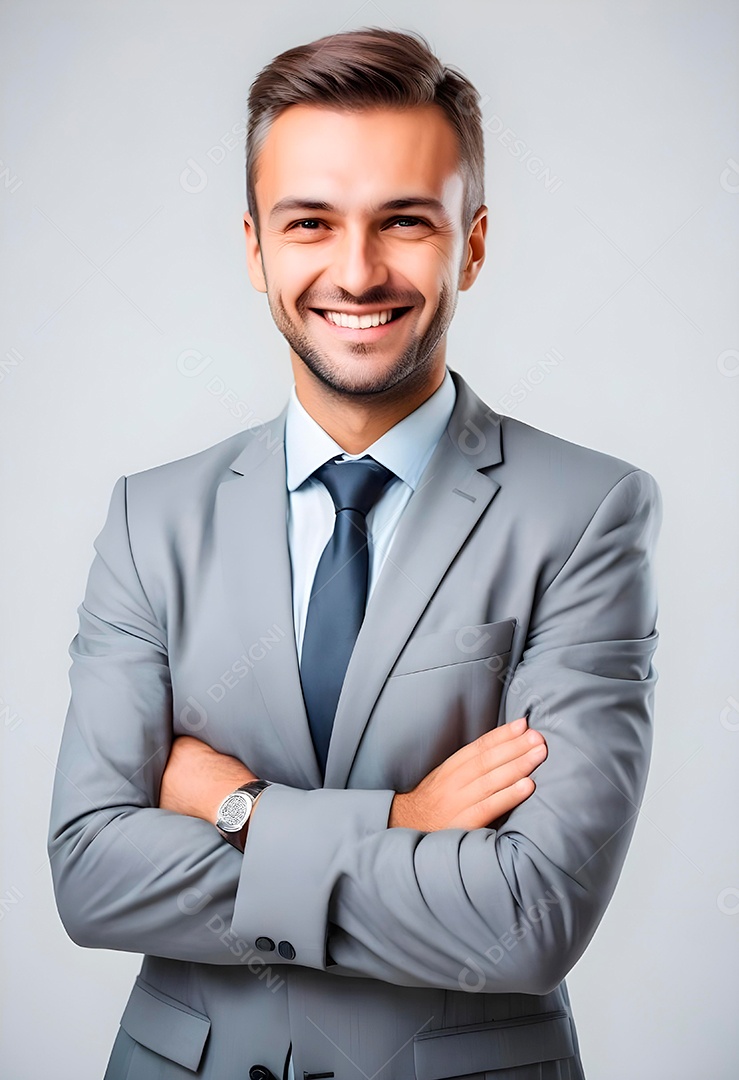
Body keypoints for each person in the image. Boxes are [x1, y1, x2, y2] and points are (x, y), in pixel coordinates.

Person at [48, 27, 661, 1080]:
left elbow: (530, 916)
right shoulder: (154, 517)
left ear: (469, 243)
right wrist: (407, 823)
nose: (356, 270)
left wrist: (241, 810)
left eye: (404, 222)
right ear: (254, 247)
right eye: (310, 223)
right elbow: (93, 875)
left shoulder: (588, 511)